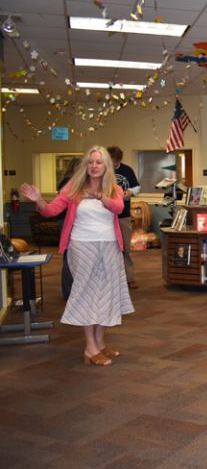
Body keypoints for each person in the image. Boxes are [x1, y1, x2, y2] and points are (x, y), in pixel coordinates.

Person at [20, 146, 134, 366]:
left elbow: (118, 208)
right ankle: (90, 347)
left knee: (107, 294)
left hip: (109, 246)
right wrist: (39, 200)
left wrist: (100, 196)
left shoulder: (113, 188)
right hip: (82, 246)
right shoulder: (74, 187)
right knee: (89, 293)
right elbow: (51, 211)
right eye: (90, 162)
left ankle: (100, 343)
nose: (93, 166)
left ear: (106, 166)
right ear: (86, 165)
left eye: (98, 162)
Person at [106, 146, 140, 290]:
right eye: (110, 160)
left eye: (114, 161)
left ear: (119, 160)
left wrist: (129, 192)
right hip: (106, 216)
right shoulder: (102, 170)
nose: (112, 164)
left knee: (125, 248)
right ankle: (110, 280)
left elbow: (137, 187)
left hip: (123, 215)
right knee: (108, 249)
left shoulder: (127, 170)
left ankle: (129, 278)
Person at [57, 156, 81, 301]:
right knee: (69, 257)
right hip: (67, 222)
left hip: (67, 221)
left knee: (72, 257)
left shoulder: (66, 181)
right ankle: (69, 291)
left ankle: (71, 290)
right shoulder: (69, 183)